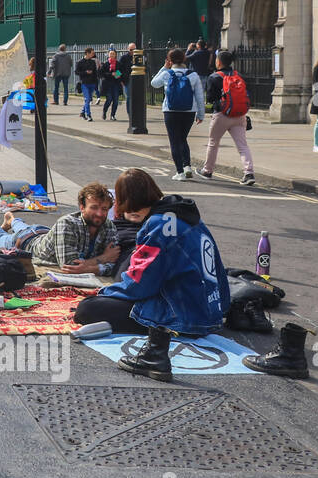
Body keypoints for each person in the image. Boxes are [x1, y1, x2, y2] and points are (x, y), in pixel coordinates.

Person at [73, 169, 229, 382]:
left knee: (88, 309)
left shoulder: (159, 225)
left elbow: (139, 284)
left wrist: (104, 292)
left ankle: (155, 353)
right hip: (209, 309)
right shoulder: (185, 216)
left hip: (184, 315)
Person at [0, 182, 119, 274]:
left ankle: (12, 221)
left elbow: (115, 265)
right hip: (25, 242)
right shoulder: (67, 223)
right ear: (82, 207)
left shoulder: (109, 227)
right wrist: (104, 258)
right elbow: (69, 266)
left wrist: (88, 266)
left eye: (104, 209)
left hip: (42, 232)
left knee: (23, 228)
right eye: (94, 208)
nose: (100, 214)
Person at [197, 49, 256, 184]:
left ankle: (207, 170)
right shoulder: (239, 75)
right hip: (240, 115)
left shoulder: (214, 77)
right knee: (242, 146)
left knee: (213, 143)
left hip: (222, 115)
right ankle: (249, 173)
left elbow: (211, 98)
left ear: (219, 62)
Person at [150, 47, 205, 180]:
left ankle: (179, 172)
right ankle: (187, 167)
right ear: (184, 58)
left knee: (174, 141)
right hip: (189, 111)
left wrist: (164, 67)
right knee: (182, 139)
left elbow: (154, 84)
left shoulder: (167, 74)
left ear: (169, 60)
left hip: (170, 111)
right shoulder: (193, 75)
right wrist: (201, 114)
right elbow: (199, 96)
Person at [74, 48, 98, 121]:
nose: (93, 55)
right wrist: (85, 72)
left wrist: (96, 83)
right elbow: (76, 72)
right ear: (87, 53)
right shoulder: (80, 62)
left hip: (92, 83)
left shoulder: (93, 62)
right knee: (87, 99)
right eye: (92, 53)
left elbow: (95, 72)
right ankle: (89, 115)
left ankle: (83, 112)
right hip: (84, 83)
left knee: (89, 99)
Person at [99, 49, 123, 121]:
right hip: (107, 84)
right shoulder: (105, 64)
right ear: (108, 55)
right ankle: (104, 111)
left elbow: (121, 72)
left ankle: (113, 115)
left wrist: (117, 75)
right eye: (110, 54)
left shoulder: (118, 64)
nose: (112, 55)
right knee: (109, 99)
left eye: (113, 54)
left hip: (116, 84)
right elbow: (101, 74)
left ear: (115, 55)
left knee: (115, 100)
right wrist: (110, 74)